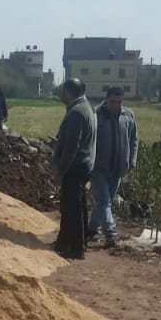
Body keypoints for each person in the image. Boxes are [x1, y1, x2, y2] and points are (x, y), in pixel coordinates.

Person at [51, 78, 96, 259]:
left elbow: (71, 147)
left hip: (75, 167)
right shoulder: (88, 107)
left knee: (71, 208)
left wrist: (61, 171)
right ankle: (70, 242)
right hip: (84, 165)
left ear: (68, 92)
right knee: (79, 205)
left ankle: (76, 248)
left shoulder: (76, 113)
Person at [89, 86, 138, 248]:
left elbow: (133, 140)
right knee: (104, 201)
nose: (115, 105)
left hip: (118, 168)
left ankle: (90, 230)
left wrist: (132, 160)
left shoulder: (128, 116)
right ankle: (110, 234)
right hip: (98, 168)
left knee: (104, 202)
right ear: (106, 99)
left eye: (119, 102)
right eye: (112, 101)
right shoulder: (96, 115)